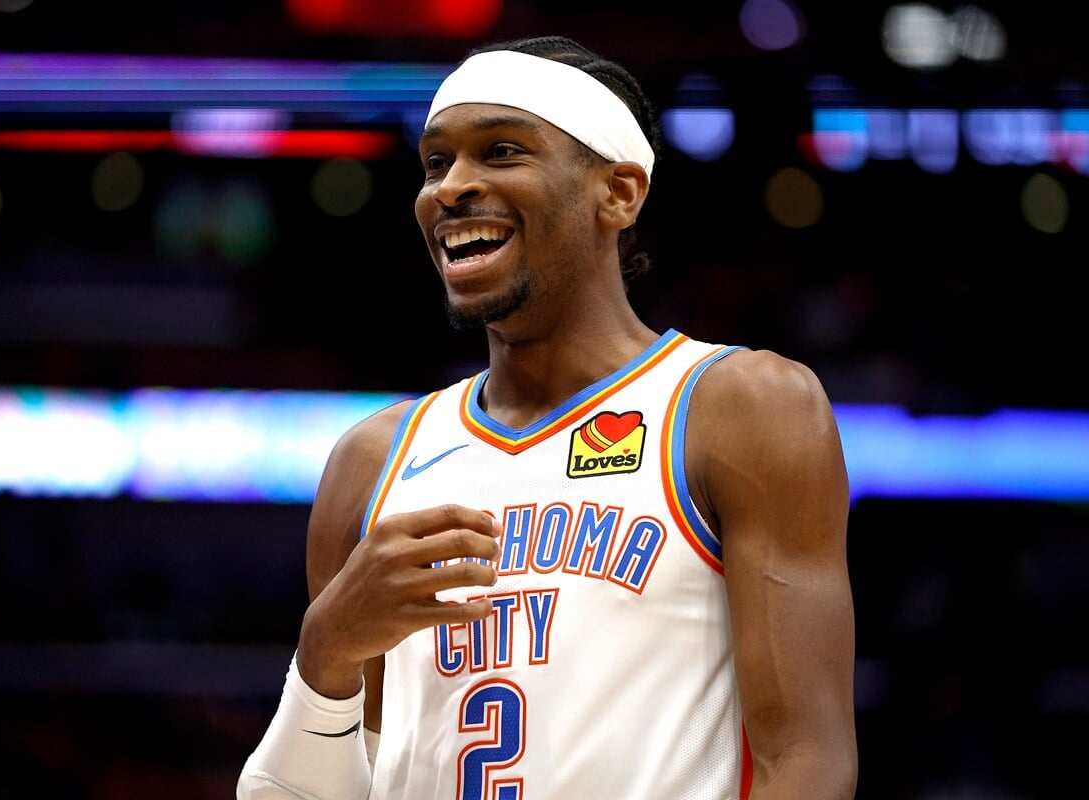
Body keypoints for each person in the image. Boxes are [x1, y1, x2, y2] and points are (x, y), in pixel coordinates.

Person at [237, 34, 857, 800]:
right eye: (435, 164)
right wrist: (324, 653)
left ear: (619, 193)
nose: (451, 189)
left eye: (500, 151)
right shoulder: (373, 459)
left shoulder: (739, 408)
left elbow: (809, 760)